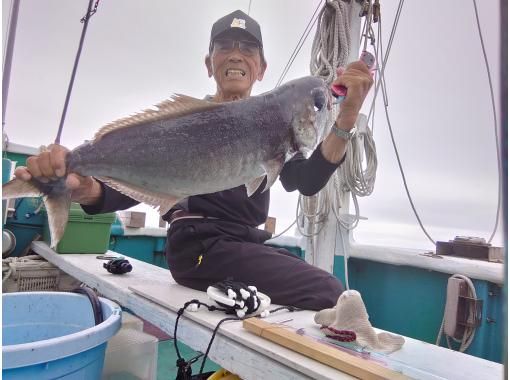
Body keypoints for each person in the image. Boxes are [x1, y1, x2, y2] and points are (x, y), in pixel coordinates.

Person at [15, 10, 373, 311]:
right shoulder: (181, 126)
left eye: (248, 48)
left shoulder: (274, 132)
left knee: (319, 284)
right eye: (225, 47)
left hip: (243, 247)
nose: (236, 54)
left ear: (262, 68)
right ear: (209, 63)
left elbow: (306, 182)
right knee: (329, 293)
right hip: (200, 248)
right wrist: (77, 185)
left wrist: (345, 120)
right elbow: (115, 194)